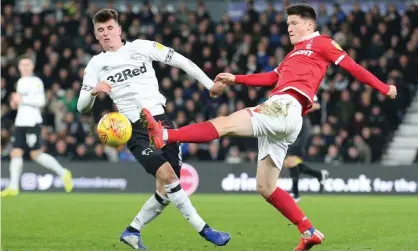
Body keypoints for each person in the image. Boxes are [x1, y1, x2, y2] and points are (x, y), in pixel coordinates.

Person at [141, 4, 397, 250]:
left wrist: (385, 88)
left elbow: (352, 67)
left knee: (225, 123)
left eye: (294, 23)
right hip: (285, 117)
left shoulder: (323, 43)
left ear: (310, 24)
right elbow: (271, 78)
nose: (289, 28)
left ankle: (165, 135)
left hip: (286, 106)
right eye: (288, 24)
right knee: (265, 186)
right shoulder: (292, 54)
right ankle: (308, 232)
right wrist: (236, 79)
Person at [76, 9, 229, 250]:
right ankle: (205, 229)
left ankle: (132, 231)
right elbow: (82, 107)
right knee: (168, 177)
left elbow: (181, 60)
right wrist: (93, 91)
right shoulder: (96, 64)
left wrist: (210, 84)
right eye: (100, 30)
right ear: (95, 35)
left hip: (161, 121)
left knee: (167, 189)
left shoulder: (142, 47)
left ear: (119, 29)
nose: (106, 34)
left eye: (109, 28)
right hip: (133, 128)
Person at [1, 56, 73, 198]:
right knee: (15, 152)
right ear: (19, 67)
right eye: (23, 64)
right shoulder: (20, 82)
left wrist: (22, 100)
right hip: (20, 122)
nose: (25, 67)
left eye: (28, 64)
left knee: (36, 155)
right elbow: (21, 102)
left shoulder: (36, 82)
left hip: (33, 122)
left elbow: (41, 101)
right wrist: (14, 104)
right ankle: (13, 187)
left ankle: (63, 172)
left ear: (32, 67)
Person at [284, 95, 329, 203]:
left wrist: (299, 110)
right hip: (294, 126)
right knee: (289, 162)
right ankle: (319, 175)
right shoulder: (292, 92)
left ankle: (296, 194)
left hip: (302, 125)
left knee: (291, 159)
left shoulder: (306, 91)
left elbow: (317, 105)